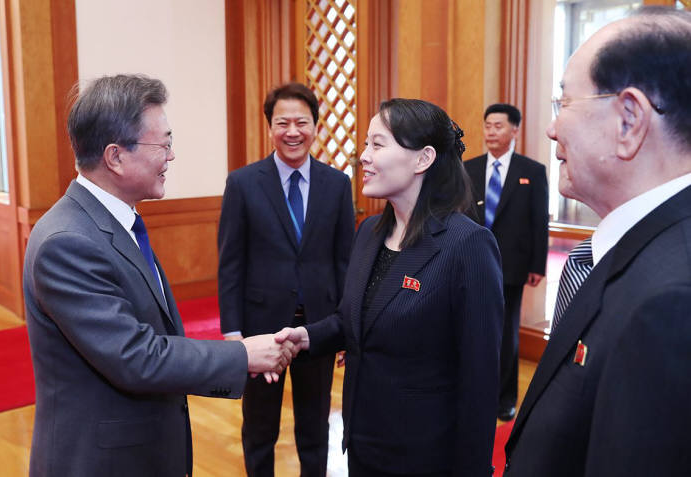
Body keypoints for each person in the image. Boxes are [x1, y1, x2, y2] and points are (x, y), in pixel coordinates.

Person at [23, 74, 293, 477]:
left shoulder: (115, 220)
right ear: (115, 156)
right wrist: (243, 355)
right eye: (163, 144)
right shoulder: (66, 242)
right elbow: (135, 356)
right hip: (101, 461)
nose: (171, 156)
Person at [504, 7, 691, 477]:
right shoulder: (644, 251)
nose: (551, 128)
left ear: (630, 120)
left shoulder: (669, 301)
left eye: (563, 104)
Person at [276, 98, 503, 476]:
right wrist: (307, 337)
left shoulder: (467, 246)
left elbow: (479, 383)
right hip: (363, 444)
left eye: (377, 145)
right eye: (365, 144)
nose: (363, 156)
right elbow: (358, 318)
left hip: (426, 456)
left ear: (422, 159)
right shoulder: (369, 232)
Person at [217, 82, 355, 476]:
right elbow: (230, 262)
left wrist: (344, 327)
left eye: (301, 122)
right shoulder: (243, 183)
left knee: (315, 423)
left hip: (319, 323)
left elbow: (344, 261)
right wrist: (232, 331)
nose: (292, 131)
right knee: (260, 425)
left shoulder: (337, 184)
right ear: (270, 127)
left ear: (315, 126)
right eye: (283, 123)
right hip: (261, 327)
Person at [464, 103, 549, 421]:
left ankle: (504, 399)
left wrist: (537, 264)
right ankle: (474, 393)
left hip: (512, 265)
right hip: (474, 262)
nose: (491, 132)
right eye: (487, 125)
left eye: (498, 126)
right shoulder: (469, 168)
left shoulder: (532, 171)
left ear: (515, 130)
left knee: (506, 333)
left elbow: (539, 221)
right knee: (473, 328)